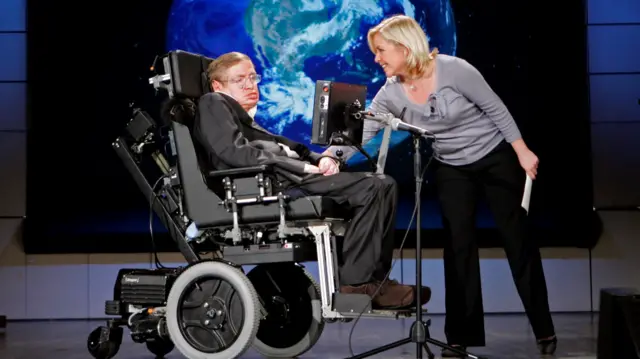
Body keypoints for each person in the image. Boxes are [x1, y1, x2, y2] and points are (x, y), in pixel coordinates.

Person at [323, 15, 557, 357]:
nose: (376, 58)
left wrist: (521, 152)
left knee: (518, 243)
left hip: (494, 157)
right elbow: (363, 132)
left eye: (381, 51)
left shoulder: (453, 69)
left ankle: (544, 329)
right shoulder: (389, 93)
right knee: (458, 249)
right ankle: (459, 338)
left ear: (405, 47)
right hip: (452, 167)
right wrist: (331, 157)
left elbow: (495, 108)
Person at [190, 51, 431, 309]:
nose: (251, 85)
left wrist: (322, 160)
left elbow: (290, 146)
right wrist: (301, 166)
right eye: (240, 80)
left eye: (253, 77)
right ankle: (358, 285)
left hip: (287, 179)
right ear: (218, 85)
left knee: (382, 185)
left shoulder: (243, 119)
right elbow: (234, 153)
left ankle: (374, 282)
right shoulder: (213, 102)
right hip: (271, 185)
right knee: (375, 187)